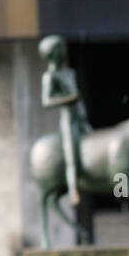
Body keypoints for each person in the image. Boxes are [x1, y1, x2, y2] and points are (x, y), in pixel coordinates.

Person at [38, 35, 92, 206]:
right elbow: (46, 101)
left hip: (80, 115)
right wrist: (67, 100)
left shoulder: (69, 72)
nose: (63, 51)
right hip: (68, 118)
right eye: (59, 48)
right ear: (52, 53)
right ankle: (72, 188)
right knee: (70, 154)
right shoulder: (50, 76)